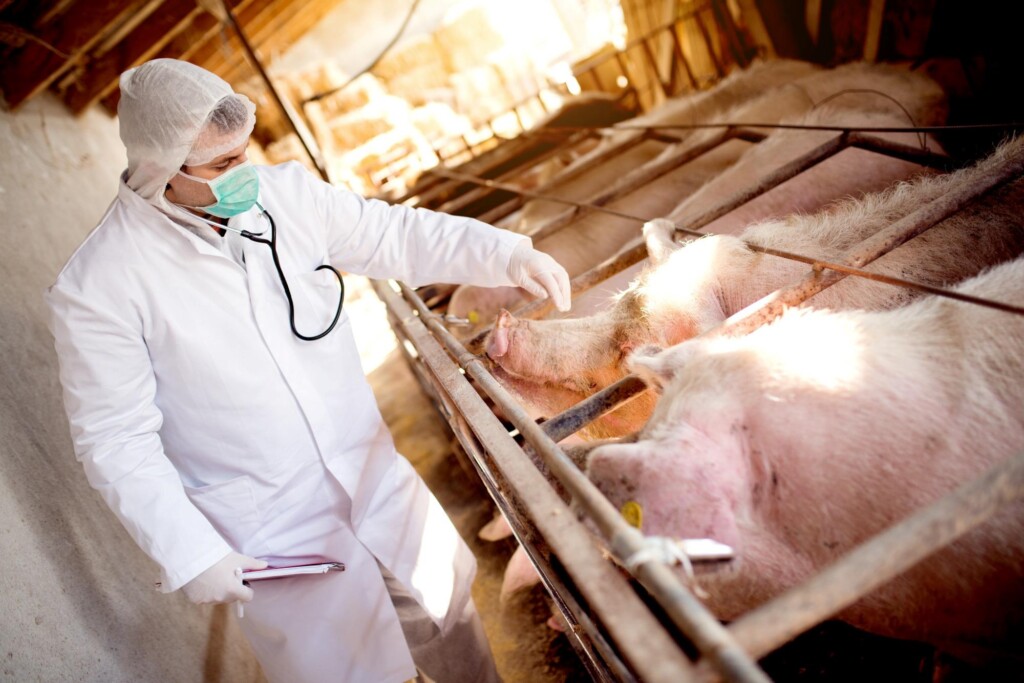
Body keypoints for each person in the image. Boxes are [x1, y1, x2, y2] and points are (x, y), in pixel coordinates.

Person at [45, 58, 571, 683]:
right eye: (221, 165)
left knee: (447, 614)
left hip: (372, 477)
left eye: (243, 153)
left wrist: (504, 253)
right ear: (161, 170)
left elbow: (391, 234)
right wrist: (189, 551)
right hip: (274, 529)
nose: (246, 174)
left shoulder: (286, 194)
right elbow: (115, 438)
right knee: (350, 670)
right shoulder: (99, 285)